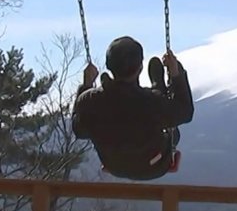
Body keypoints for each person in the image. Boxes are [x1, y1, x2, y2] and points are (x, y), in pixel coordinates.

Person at [72, 36, 194, 180]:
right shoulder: (151, 102)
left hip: (114, 165)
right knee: (173, 130)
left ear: (109, 67)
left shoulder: (91, 100)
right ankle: (159, 87)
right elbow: (185, 112)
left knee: (159, 111)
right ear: (140, 67)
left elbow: (79, 130)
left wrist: (86, 86)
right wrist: (176, 73)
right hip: (155, 165)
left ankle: (159, 88)